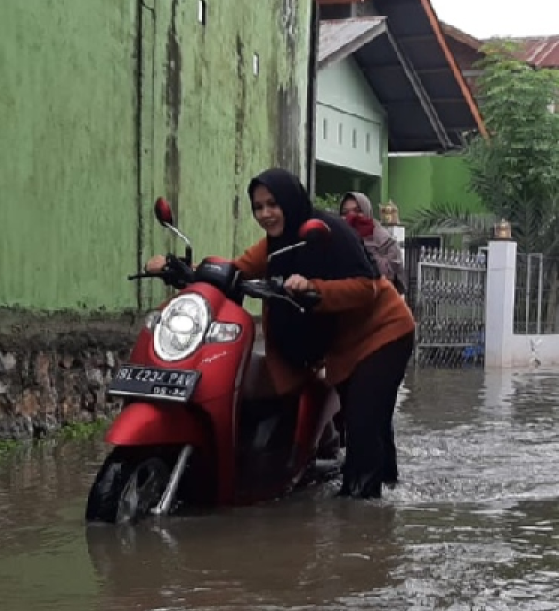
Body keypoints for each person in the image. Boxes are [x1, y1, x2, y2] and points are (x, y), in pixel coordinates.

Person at [145, 168, 415, 499]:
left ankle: (362, 519)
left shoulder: (330, 233)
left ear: (290, 200)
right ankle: (385, 482)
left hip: (382, 333)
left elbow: (367, 288)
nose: (265, 214)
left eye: (273, 203)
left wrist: (314, 288)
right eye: (258, 207)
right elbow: (235, 269)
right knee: (364, 423)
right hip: (341, 345)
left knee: (361, 422)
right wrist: (177, 268)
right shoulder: (274, 246)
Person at [340, 192, 407, 295]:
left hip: (378, 303)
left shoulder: (386, 241)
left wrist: (365, 243)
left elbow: (388, 275)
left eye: (358, 211)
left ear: (367, 212)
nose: (351, 216)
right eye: (345, 213)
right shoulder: (337, 239)